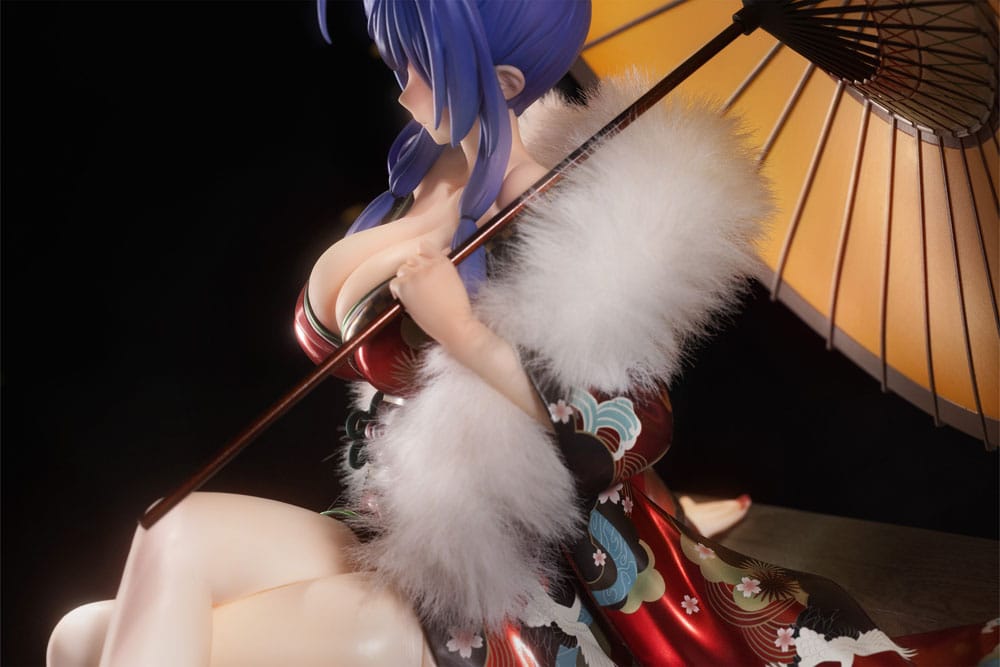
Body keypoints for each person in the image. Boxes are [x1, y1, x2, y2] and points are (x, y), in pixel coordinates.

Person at [48, 1, 998, 665]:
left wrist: (463, 333)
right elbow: (327, 335)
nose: (400, 85)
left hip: (497, 586)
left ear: (500, 77)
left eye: (418, 62)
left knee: (100, 643)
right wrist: (405, 234)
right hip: (393, 537)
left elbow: (623, 428)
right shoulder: (440, 179)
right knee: (146, 559)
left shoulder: (583, 216)